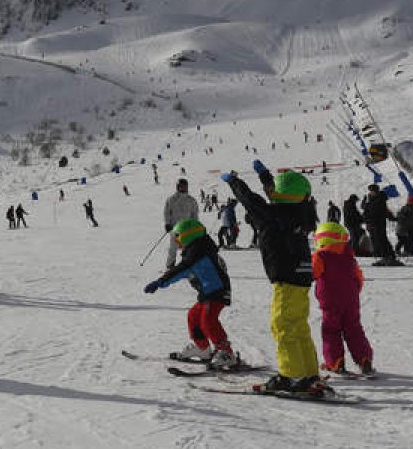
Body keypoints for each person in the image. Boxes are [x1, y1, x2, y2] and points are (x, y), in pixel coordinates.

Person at [223, 162, 328, 396]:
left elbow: (251, 201)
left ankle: (291, 377)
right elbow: (276, 194)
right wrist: (264, 175)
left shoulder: (273, 215)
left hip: (286, 277)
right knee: (298, 326)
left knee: (282, 326)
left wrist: (233, 182)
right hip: (301, 276)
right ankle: (308, 374)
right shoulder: (302, 211)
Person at [143, 218, 237, 369]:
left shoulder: (197, 254)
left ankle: (226, 353)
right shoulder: (198, 250)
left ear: (187, 235)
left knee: (208, 321)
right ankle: (203, 349)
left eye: (178, 237)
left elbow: (180, 270)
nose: (177, 241)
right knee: (193, 316)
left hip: (216, 292)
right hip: (208, 293)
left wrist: (160, 282)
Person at [312, 222, 374, 375]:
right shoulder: (349, 257)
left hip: (330, 302)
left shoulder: (320, 256)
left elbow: (313, 273)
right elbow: (359, 277)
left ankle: (335, 361)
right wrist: (354, 292)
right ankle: (364, 358)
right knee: (354, 329)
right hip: (351, 301)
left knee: (331, 330)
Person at [163, 178, 200, 270]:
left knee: (187, 247)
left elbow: (194, 214)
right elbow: (167, 212)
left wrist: (195, 226)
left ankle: (186, 264)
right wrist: (167, 224)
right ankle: (170, 265)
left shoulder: (191, 200)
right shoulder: (171, 199)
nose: (183, 188)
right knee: (173, 247)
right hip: (175, 227)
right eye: (181, 186)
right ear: (177, 187)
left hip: (187, 228)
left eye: (185, 186)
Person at [363, 184, 401, 266]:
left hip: (379, 223)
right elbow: (366, 211)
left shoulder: (380, 200)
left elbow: (384, 211)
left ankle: (389, 256)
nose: (371, 192)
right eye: (370, 191)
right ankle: (384, 257)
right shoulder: (371, 200)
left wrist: (392, 218)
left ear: (376, 191)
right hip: (372, 224)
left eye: (372, 191)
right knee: (376, 241)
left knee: (382, 240)